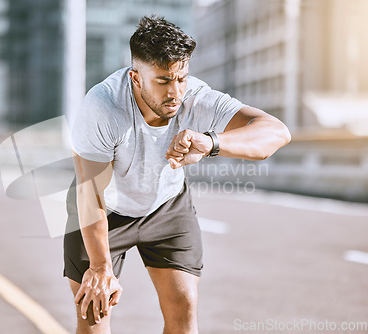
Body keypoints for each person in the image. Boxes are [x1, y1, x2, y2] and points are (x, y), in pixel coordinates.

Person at [63, 14, 291, 333]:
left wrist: (211, 141)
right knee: (94, 315)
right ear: (135, 78)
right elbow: (90, 194)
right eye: (163, 81)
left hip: (166, 208)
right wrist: (101, 266)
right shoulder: (103, 106)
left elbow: (276, 133)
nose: (175, 92)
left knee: (183, 307)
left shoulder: (194, 97)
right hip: (104, 211)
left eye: (181, 78)